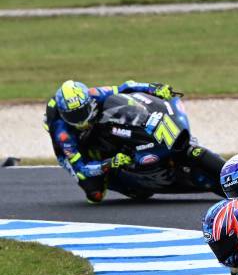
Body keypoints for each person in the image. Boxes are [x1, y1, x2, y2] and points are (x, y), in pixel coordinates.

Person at [44, 79, 212, 203]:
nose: (80, 120)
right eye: (73, 116)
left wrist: (154, 88)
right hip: (73, 146)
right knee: (95, 195)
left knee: (121, 108)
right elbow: (82, 168)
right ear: (64, 114)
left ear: (88, 102)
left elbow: (126, 87)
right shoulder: (62, 133)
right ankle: (123, 179)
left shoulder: (94, 94)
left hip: (99, 123)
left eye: (81, 112)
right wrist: (109, 163)